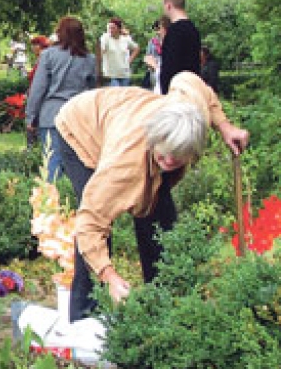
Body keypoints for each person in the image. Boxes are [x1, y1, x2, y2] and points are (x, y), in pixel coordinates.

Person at [53, 71, 249, 322]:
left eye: (177, 158)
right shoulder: (123, 165)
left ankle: (162, 306)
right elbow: (89, 224)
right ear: (155, 140)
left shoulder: (190, 108)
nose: (168, 162)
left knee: (160, 223)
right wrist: (110, 276)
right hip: (80, 128)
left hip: (122, 113)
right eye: (163, 154)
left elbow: (189, 80)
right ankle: (84, 318)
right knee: (99, 232)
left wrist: (225, 126)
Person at [25, 17, 96, 182]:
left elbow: (38, 88)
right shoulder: (89, 59)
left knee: (52, 164)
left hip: (52, 116)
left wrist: (30, 116)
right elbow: (93, 93)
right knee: (79, 166)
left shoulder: (48, 55)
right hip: (78, 117)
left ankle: (52, 204)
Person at [159, 0, 201, 94]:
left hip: (176, 92)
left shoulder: (173, 32)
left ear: (169, 6)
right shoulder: (193, 29)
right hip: (192, 88)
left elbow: (169, 67)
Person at [96, 16, 139, 87]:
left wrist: (129, 61)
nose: (111, 30)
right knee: (116, 93)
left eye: (113, 28)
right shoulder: (105, 38)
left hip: (124, 74)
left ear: (119, 29)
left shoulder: (125, 38)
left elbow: (136, 48)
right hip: (110, 75)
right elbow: (101, 51)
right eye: (109, 27)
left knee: (123, 96)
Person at [143, 16, 170, 93]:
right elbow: (148, 56)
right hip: (154, 71)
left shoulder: (171, 41)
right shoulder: (153, 41)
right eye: (156, 29)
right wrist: (151, 64)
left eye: (159, 28)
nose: (158, 31)